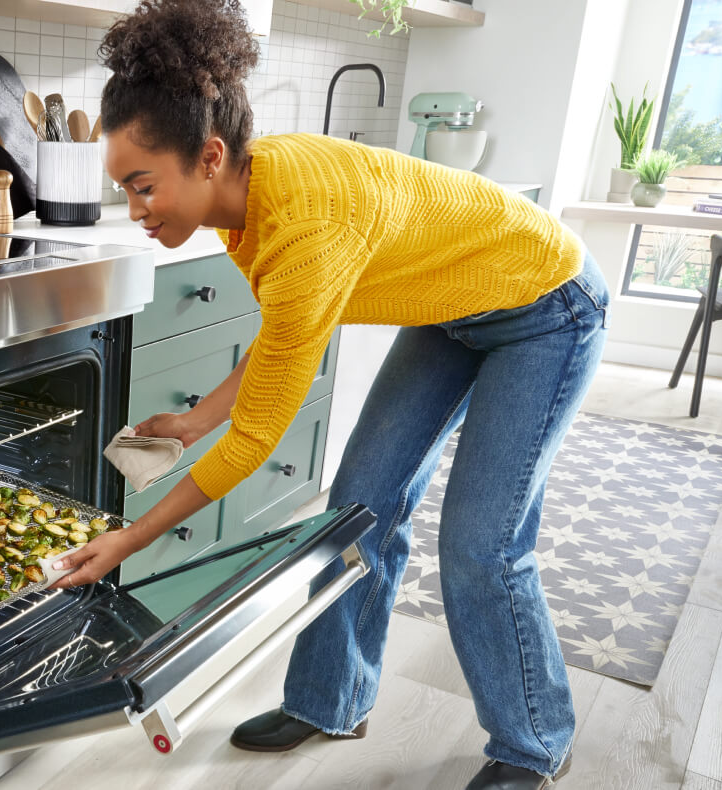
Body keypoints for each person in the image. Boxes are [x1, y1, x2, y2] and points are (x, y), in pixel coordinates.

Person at [47, 1, 608, 787]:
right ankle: (331, 700)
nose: (136, 210)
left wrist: (128, 542)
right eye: (127, 191)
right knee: (363, 504)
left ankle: (534, 741)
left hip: (546, 305)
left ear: (208, 157)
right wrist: (194, 419)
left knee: (482, 543)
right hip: (450, 310)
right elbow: (287, 340)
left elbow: (256, 442)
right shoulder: (248, 201)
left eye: (143, 187)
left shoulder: (301, 222)